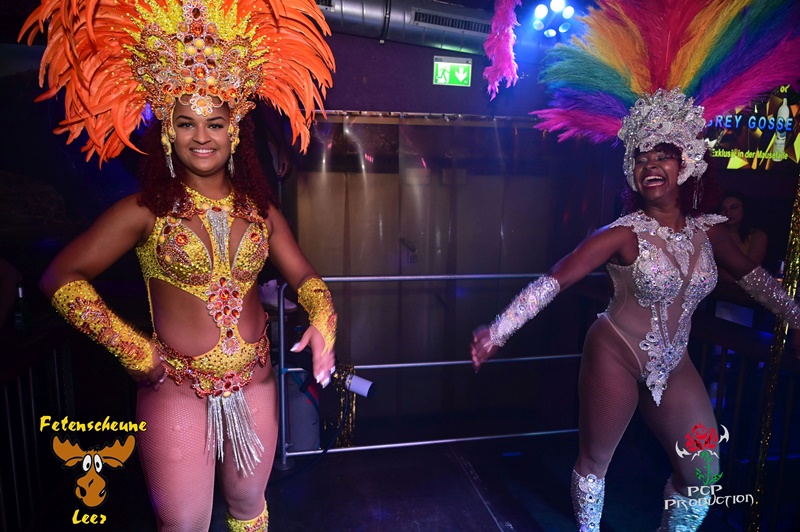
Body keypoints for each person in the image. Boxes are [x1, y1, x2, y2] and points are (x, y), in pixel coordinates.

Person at [476, 1, 800, 528]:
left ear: (685, 163)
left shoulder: (712, 230)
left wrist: (796, 316)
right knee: (595, 465)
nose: (651, 165)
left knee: (703, 474)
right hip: (615, 353)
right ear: (632, 171)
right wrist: (498, 330)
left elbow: (754, 278)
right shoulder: (622, 234)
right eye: (641, 158)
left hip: (676, 364)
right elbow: (557, 279)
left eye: (662, 155)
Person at [23, 0, 335, 530]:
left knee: (250, 513)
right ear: (167, 130)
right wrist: (130, 348)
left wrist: (325, 322)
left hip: (256, 383)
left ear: (236, 129)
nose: (202, 136)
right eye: (187, 123)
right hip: (177, 391)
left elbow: (306, 279)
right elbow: (60, 278)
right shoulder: (144, 209)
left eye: (215, 123)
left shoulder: (260, 211)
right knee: (184, 525)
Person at [718, 192, 769, 282]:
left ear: (744, 209)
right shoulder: (713, 234)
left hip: (745, 287)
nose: (728, 213)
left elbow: (750, 272)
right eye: (723, 209)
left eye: (734, 207)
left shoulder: (757, 235)